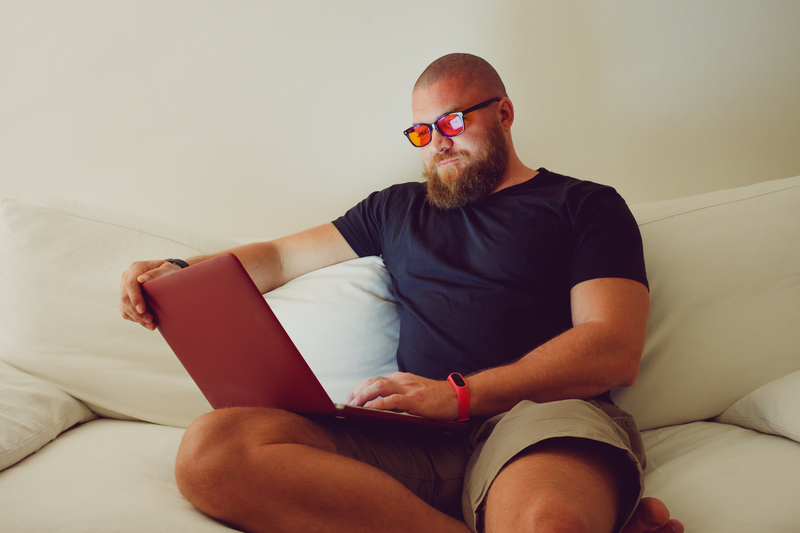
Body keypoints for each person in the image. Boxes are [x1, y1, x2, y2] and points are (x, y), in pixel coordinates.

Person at [120, 53, 684, 533]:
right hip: (416, 438)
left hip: (537, 421)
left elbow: (613, 347)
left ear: (505, 113)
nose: (437, 143)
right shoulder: (396, 208)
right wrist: (177, 269)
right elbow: (280, 256)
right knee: (213, 452)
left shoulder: (584, 205)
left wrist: (458, 394)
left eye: (453, 123)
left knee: (545, 523)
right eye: (422, 132)